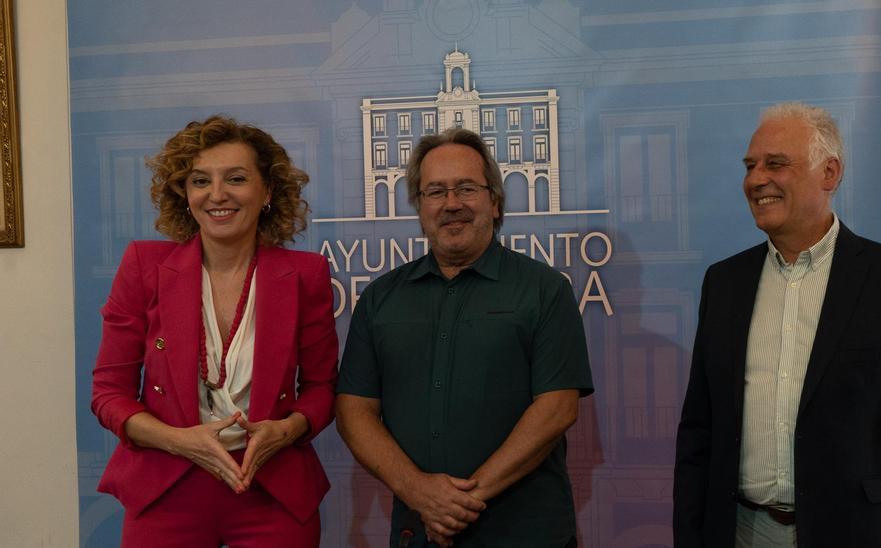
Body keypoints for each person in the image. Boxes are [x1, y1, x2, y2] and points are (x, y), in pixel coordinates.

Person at [673, 103, 881, 547]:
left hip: (860, 535)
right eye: (751, 166)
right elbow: (699, 431)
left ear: (829, 173)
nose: (756, 180)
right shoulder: (724, 282)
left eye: (776, 164)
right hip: (738, 533)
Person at [336, 128, 594, 547]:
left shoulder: (545, 289)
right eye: (435, 191)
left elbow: (557, 408)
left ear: (494, 201)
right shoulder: (380, 299)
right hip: (418, 532)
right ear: (419, 207)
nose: (451, 203)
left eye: (466, 188)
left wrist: (457, 502)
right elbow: (353, 412)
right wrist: (420, 493)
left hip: (527, 533)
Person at [90, 115, 338, 547]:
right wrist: (179, 441)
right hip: (166, 486)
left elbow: (321, 388)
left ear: (268, 192)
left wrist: (287, 430)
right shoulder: (143, 267)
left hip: (271, 489)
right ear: (185, 195)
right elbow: (108, 393)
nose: (217, 195)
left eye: (236, 178)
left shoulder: (305, 273)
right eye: (200, 181)